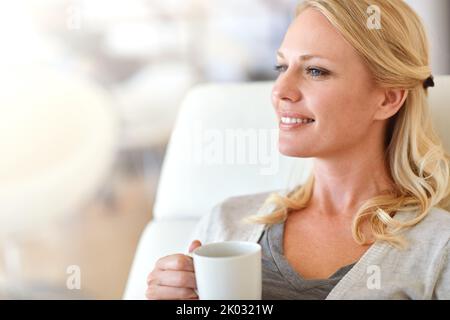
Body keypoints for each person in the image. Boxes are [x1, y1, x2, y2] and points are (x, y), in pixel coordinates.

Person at [145, 0, 450, 300]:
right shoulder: (227, 222)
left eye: (315, 71)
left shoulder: (438, 246)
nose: (279, 90)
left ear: (388, 99)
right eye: (281, 67)